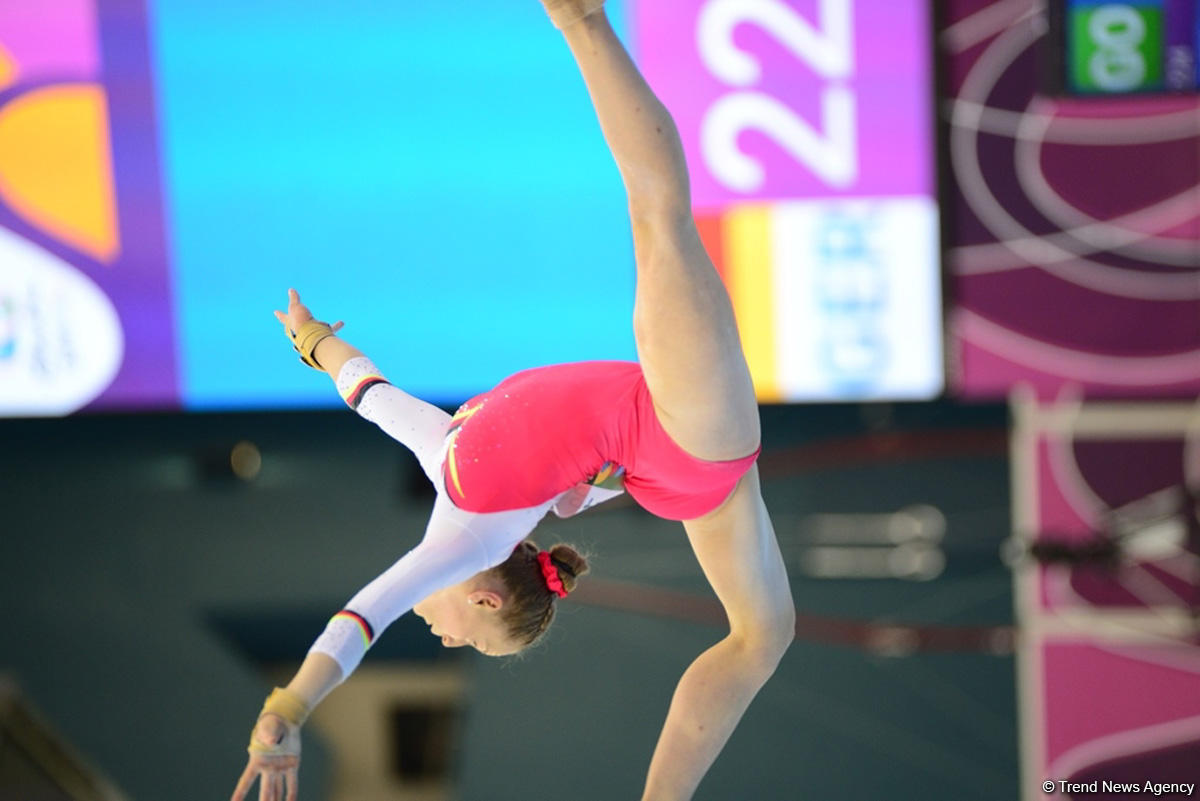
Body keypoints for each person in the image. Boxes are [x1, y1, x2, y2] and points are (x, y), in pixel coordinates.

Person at [230, 2, 795, 799]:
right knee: (659, 215)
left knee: (764, 634)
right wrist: (288, 706)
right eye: (472, 640)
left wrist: (313, 339)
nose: (446, 639)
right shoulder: (464, 541)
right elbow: (357, 623)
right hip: (685, 425)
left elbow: (372, 394)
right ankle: (581, 20)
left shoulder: (448, 463)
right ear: (485, 593)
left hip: (678, 473)